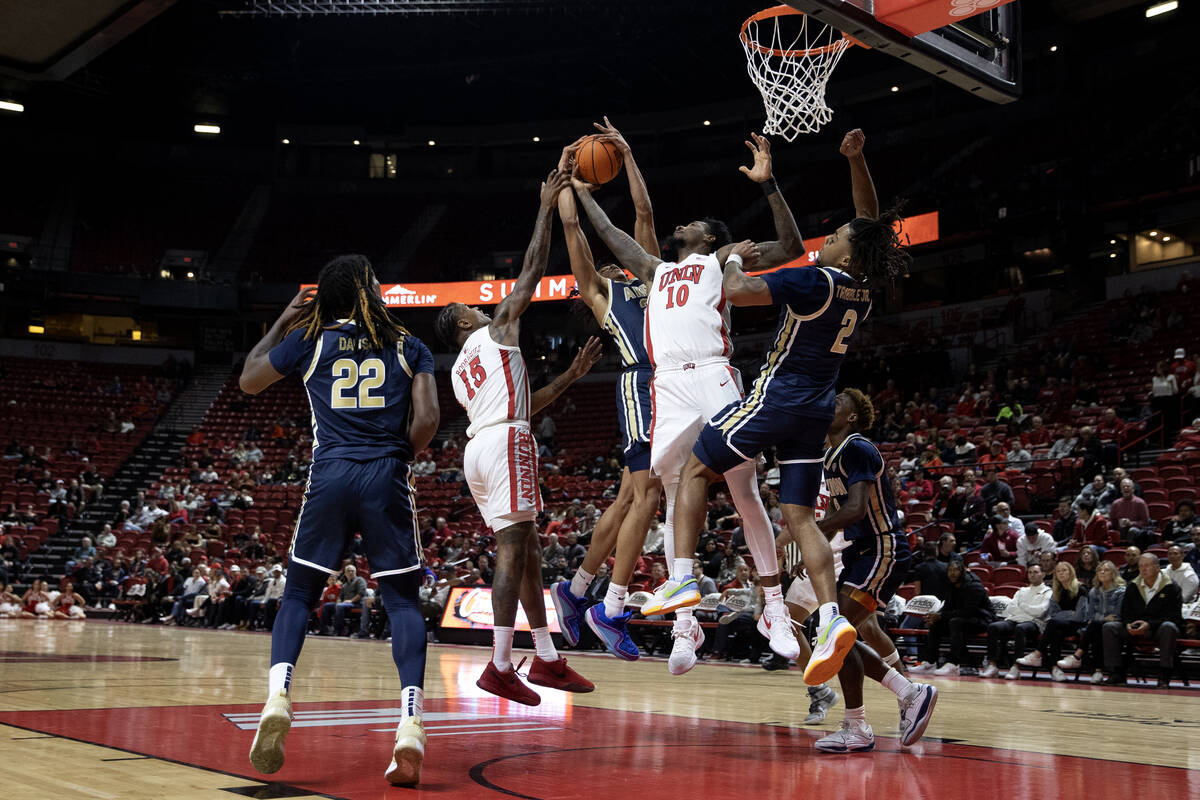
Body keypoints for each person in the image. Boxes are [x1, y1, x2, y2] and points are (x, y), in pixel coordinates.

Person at [573, 131, 834, 678]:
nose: (680, 226)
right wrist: (583, 193)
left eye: (692, 223)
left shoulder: (723, 258)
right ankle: (685, 623)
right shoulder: (656, 270)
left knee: (744, 490)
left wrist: (770, 188)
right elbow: (617, 236)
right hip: (666, 386)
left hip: (715, 375)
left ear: (712, 235)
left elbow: (791, 248)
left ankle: (774, 611)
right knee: (671, 496)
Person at [238, 253, 441, 786]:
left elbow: (249, 380)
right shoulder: (407, 344)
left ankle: (279, 694)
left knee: (300, 594)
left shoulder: (313, 339)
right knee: (401, 600)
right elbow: (428, 419)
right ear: (363, 290)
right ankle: (410, 723)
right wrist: (396, 457)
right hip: (385, 474)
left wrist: (282, 322)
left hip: (328, 474)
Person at [435, 169, 597, 707]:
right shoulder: (492, 330)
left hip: (482, 446)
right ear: (462, 319)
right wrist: (546, 206)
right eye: (472, 307)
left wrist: (570, 379)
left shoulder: (462, 370)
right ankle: (501, 665)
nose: (484, 305)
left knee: (525, 549)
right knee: (514, 550)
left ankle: (546, 658)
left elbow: (519, 404)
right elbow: (530, 272)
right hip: (506, 443)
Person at [803, 390, 937, 754]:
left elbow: (857, 509)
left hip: (883, 548)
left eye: (839, 402)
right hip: (862, 553)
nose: (830, 403)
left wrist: (811, 533)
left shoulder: (857, 447)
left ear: (851, 417)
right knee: (831, 632)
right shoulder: (830, 457)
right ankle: (859, 724)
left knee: (834, 632)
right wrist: (812, 550)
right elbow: (837, 516)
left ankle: (908, 695)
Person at [1101, 553, 1183, 687]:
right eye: (1140, 566)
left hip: (1157, 629)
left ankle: (1164, 675)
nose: (1143, 569)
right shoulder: (1133, 586)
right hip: (1134, 627)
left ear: (1157, 567)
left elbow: (1174, 617)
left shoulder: (1171, 587)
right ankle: (1116, 673)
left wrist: (1149, 624)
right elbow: (1125, 611)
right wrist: (1128, 624)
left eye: (1147, 566)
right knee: (1109, 627)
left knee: (1169, 626)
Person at [911, 556, 994, 674]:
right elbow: (948, 606)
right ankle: (930, 662)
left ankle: (953, 663)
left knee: (955, 622)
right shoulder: (950, 584)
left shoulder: (974, 585)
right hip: (961, 619)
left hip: (983, 619)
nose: (952, 573)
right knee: (937, 623)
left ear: (963, 571)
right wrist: (936, 615)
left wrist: (942, 616)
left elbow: (968, 611)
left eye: (956, 570)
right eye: (950, 570)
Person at [1056, 560, 1125, 684]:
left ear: (1114, 573)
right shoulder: (1094, 591)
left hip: (1117, 626)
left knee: (1096, 626)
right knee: (1096, 629)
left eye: (1106, 570)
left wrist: (1100, 618)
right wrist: (1103, 618)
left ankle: (1077, 656)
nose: (1102, 572)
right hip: (1098, 626)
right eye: (1099, 570)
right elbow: (1090, 615)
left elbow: (1117, 615)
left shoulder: (1121, 591)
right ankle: (1097, 672)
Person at [1016, 561, 1087, 681]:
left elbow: (1080, 615)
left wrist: (1064, 614)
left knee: (1053, 624)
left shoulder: (1081, 589)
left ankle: (1037, 654)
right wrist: (1069, 613)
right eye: (1058, 571)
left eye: (1064, 570)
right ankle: (1056, 669)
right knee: (1056, 632)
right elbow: (1053, 613)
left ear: (1071, 572)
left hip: (1078, 625)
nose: (1061, 573)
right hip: (1061, 625)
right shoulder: (1056, 591)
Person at [980, 564, 1050, 680]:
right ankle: (992, 665)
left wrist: (1023, 607)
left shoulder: (1047, 591)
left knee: (1021, 628)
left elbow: (1041, 611)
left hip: (1034, 623)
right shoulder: (1022, 590)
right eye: (1030, 572)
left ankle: (1016, 667)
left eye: (1036, 572)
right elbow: (1011, 608)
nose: (1032, 575)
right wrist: (1028, 609)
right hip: (1014, 619)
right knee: (993, 627)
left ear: (1043, 574)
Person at [1109, 478, 1152, 549]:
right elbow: (1112, 521)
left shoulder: (1140, 503)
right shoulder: (1116, 503)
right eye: (1123, 487)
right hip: (1120, 530)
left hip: (1136, 532)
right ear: (1121, 490)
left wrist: (1131, 523)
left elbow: (1145, 522)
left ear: (1133, 489)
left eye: (1128, 486)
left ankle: (1129, 549)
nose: (1126, 488)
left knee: (1132, 530)